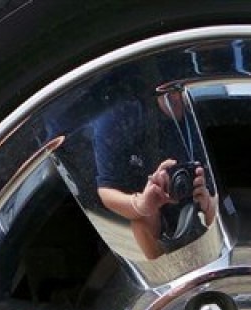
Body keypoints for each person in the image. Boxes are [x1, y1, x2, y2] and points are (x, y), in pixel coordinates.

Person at [91, 88, 217, 260]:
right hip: (152, 223)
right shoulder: (120, 118)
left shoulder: (205, 105)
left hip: (199, 210)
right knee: (142, 222)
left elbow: (231, 195)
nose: (177, 95)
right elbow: (106, 190)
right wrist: (140, 204)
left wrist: (209, 204)